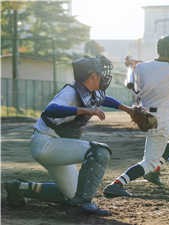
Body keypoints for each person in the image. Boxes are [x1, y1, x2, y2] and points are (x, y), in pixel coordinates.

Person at [4, 55, 133, 216]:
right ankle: (82, 205)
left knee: (72, 194)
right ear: (93, 76)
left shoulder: (89, 92)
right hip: (47, 144)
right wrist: (82, 110)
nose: (105, 76)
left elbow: (104, 99)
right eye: (102, 73)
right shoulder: (70, 92)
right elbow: (50, 110)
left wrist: (127, 109)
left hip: (56, 145)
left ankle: (18, 187)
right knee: (99, 152)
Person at [103, 35, 169, 197]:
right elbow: (161, 68)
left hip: (149, 113)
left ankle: (154, 170)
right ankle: (117, 184)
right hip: (160, 119)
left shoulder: (141, 68)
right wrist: (137, 64)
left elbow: (132, 85)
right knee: (149, 161)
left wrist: (131, 66)